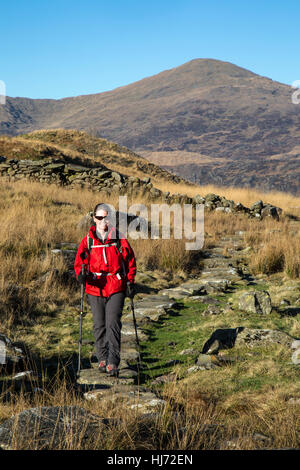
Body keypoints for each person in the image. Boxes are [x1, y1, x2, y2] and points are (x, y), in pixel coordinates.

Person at [74, 203, 136, 377]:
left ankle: (113, 362)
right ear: (94, 218)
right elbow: (80, 262)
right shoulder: (88, 240)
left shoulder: (119, 238)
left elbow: (130, 261)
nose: (103, 221)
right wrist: (81, 275)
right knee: (99, 324)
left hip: (116, 285)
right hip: (95, 287)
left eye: (106, 217)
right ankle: (102, 358)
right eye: (99, 217)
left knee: (113, 323)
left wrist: (130, 281)